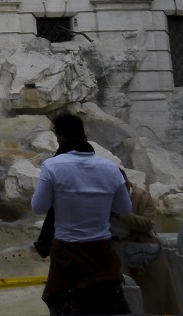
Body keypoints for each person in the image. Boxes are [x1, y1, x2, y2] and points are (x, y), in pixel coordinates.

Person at [31, 113, 132, 315]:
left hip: (67, 254)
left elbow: (38, 207)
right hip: (101, 252)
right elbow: (125, 209)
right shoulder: (111, 169)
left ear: (60, 137)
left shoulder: (52, 166)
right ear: (85, 135)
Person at [113, 176, 180, 315]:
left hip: (140, 250)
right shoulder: (102, 197)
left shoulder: (142, 197)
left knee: (149, 298)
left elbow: (147, 224)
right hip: (112, 249)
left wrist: (120, 214)